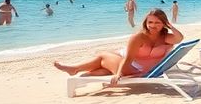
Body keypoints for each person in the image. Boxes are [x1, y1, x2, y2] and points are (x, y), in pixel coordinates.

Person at [53, 9, 182, 84]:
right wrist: (119, 74)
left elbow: (179, 38)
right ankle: (79, 71)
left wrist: (119, 74)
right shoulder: (139, 37)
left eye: (157, 23)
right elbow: (128, 58)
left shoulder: (165, 37)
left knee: (103, 56)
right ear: (145, 23)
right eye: (150, 22)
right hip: (136, 68)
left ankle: (75, 69)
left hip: (137, 71)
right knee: (106, 62)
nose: (153, 25)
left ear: (164, 23)